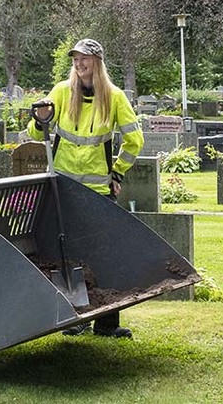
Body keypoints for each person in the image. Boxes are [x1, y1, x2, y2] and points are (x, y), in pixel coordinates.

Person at [27, 38, 144, 339]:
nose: (79, 64)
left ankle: (107, 324)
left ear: (97, 62)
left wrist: (117, 172)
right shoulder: (61, 92)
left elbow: (135, 140)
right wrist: (38, 118)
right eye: (75, 59)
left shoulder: (114, 97)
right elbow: (34, 131)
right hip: (63, 189)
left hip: (97, 193)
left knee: (105, 256)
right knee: (66, 255)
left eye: (85, 59)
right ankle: (74, 319)